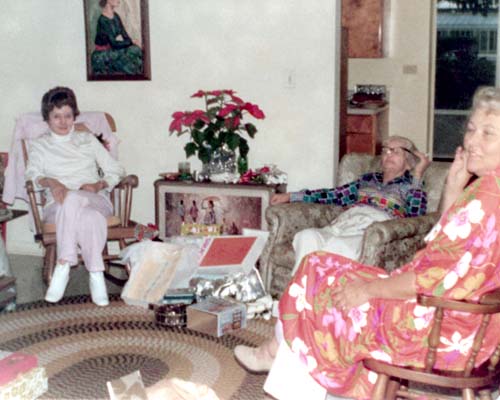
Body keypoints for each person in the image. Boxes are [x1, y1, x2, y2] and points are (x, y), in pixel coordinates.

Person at [234, 86, 500, 399]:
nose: (472, 141)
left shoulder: (483, 197)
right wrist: (454, 188)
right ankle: (286, 353)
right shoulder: (485, 187)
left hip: (435, 325)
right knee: (316, 264)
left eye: (488, 133)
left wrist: (367, 290)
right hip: (459, 318)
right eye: (471, 129)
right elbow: (444, 249)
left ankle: (288, 364)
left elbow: (432, 278)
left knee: (320, 281)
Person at [271, 135, 430, 275]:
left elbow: (415, 217)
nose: (388, 155)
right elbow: (333, 195)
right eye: (386, 150)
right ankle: (301, 295)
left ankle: (313, 298)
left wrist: (418, 173)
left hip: (371, 229)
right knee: (306, 237)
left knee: (337, 248)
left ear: (409, 161)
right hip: (344, 223)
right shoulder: (367, 179)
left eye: (396, 151)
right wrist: (291, 196)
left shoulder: (412, 186)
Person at [25, 87, 125, 306]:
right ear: (47, 118)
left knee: (74, 199)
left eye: (68, 115)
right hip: (58, 205)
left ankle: (64, 262)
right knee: (86, 216)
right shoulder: (40, 145)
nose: (63, 122)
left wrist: (99, 184)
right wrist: (51, 182)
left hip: (94, 198)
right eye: (56, 116)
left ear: (74, 115)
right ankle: (96, 274)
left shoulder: (87, 140)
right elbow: (32, 177)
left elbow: (116, 170)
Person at [91, 0, 143, 76]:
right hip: (103, 55)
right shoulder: (102, 20)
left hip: (114, 50)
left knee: (136, 50)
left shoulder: (116, 16)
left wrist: (131, 42)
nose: (118, 0)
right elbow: (114, 43)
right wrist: (132, 42)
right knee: (132, 60)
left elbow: (126, 37)